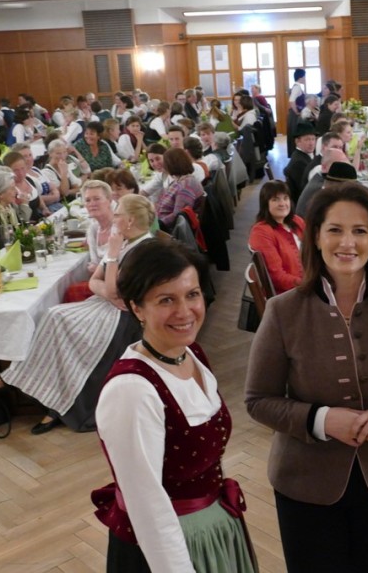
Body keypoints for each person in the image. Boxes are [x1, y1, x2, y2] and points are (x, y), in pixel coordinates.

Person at [245, 182, 368, 573]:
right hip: (304, 481)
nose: (346, 242)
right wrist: (321, 419)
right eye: (335, 229)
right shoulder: (283, 310)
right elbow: (258, 399)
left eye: (360, 231)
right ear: (315, 236)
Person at [89, 239, 256, 573]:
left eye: (192, 294)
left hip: (213, 529)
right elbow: (148, 507)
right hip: (167, 547)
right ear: (137, 307)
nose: (185, 312)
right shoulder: (132, 391)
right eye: (166, 300)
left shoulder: (191, 354)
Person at [0, 195, 155, 434]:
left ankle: (20, 384)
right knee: (52, 316)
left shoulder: (142, 249)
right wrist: (108, 290)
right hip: (106, 305)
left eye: (118, 213)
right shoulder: (126, 242)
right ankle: (40, 393)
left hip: (123, 318)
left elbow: (111, 289)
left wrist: (110, 258)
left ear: (130, 221)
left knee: (59, 321)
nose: (115, 217)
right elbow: (95, 283)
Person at [248, 180, 305, 295]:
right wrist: (307, 283)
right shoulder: (261, 232)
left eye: (285, 198)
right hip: (290, 293)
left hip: (308, 282)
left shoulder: (296, 220)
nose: (282, 203)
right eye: (275, 199)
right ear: (265, 204)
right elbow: (277, 277)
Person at [157, 148, 205, 230]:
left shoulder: (185, 187)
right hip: (163, 220)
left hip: (168, 229)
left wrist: (158, 224)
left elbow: (178, 215)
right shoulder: (183, 179)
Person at [287, 69, 307, 157]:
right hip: (294, 115)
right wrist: (297, 112)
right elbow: (291, 101)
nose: (305, 78)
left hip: (294, 114)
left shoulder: (297, 86)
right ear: (301, 77)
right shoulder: (297, 87)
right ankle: (296, 155)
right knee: (295, 134)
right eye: (304, 76)